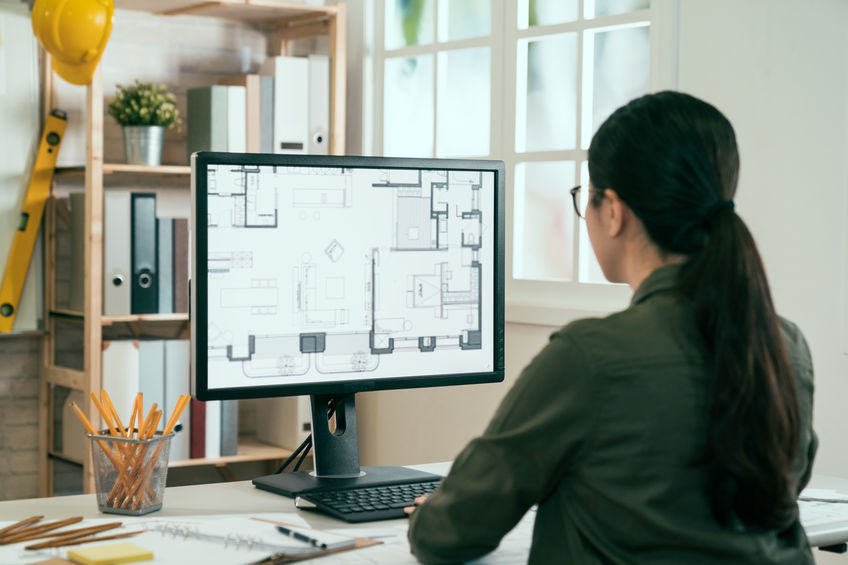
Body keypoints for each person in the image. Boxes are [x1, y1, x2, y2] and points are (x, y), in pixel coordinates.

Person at [405, 91, 817, 564]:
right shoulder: (785, 345)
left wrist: (428, 515)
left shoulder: (589, 357)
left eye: (586, 198)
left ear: (614, 211)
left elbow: (450, 534)